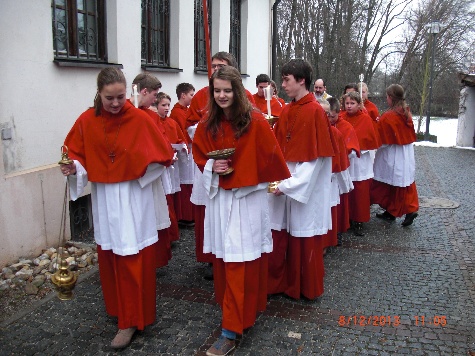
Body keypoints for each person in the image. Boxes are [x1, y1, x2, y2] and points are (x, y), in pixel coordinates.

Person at [60, 67, 173, 349]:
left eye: (120, 97)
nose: (115, 103)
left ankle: (132, 319)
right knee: (111, 255)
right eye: (109, 98)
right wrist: (72, 166)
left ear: (128, 93)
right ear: (99, 94)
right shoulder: (87, 119)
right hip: (105, 198)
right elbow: (76, 154)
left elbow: (162, 158)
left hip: (133, 198)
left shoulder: (140, 118)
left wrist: (134, 171)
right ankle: (119, 310)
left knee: (133, 256)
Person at [192, 66, 290, 356]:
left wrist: (243, 175)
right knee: (226, 261)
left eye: (227, 90)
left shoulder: (256, 122)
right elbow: (200, 156)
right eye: (217, 90)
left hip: (246, 201)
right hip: (222, 201)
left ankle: (230, 330)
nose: (222, 95)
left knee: (238, 261)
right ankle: (237, 315)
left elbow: (269, 162)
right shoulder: (208, 122)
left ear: (237, 90)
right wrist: (213, 166)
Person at [267, 59, 336, 300]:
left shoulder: (316, 110)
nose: (283, 84)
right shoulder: (287, 109)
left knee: (302, 237)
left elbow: (314, 160)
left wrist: (288, 185)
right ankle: (280, 283)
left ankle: (304, 287)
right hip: (285, 183)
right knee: (280, 232)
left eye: (286, 79)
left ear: (301, 80)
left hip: (304, 187)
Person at [186, 51, 255, 280]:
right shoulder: (204, 105)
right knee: (219, 235)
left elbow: (261, 154)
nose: (222, 95)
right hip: (216, 185)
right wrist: (210, 165)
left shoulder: (252, 115)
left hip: (244, 191)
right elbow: (197, 145)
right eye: (213, 66)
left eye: (220, 66)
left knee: (241, 246)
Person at [131, 73, 172, 268]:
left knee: (151, 216)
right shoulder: (129, 113)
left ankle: (150, 259)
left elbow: (161, 142)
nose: (155, 100)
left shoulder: (149, 115)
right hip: (128, 177)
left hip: (148, 175)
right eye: (154, 95)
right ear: (144, 91)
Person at [371, 84, 419, 226]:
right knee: (403, 182)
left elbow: (382, 139)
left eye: (387, 97)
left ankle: (402, 210)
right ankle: (393, 211)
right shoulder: (405, 113)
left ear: (390, 98)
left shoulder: (389, 116)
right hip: (405, 152)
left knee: (388, 183)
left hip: (392, 153)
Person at [340, 91, 380, 236]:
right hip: (345, 161)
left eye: (352, 103)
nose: (349, 106)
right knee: (346, 190)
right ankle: (347, 219)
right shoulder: (341, 118)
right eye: (347, 103)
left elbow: (369, 140)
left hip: (360, 161)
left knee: (360, 192)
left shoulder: (365, 119)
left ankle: (359, 220)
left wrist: (354, 150)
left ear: (358, 104)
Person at [153, 92, 187, 244]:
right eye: (163, 105)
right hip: (160, 168)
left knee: (171, 198)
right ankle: (167, 235)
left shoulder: (172, 122)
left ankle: (173, 234)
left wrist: (182, 146)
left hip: (172, 166)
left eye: (168, 105)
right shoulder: (153, 122)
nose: (167, 108)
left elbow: (180, 138)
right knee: (164, 201)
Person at [326, 97, 359, 235]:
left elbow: (351, 149)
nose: (330, 119)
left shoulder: (345, 127)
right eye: (327, 116)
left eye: (332, 116)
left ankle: (338, 230)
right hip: (326, 170)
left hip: (339, 170)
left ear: (338, 112)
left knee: (338, 201)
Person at [170, 83, 196, 226]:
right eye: (191, 95)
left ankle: (190, 213)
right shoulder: (177, 112)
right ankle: (186, 215)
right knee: (185, 182)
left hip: (191, 149)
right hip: (185, 150)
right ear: (183, 95)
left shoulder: (186, 110)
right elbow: (182, 131)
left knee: (190, 181)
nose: (192, 98)